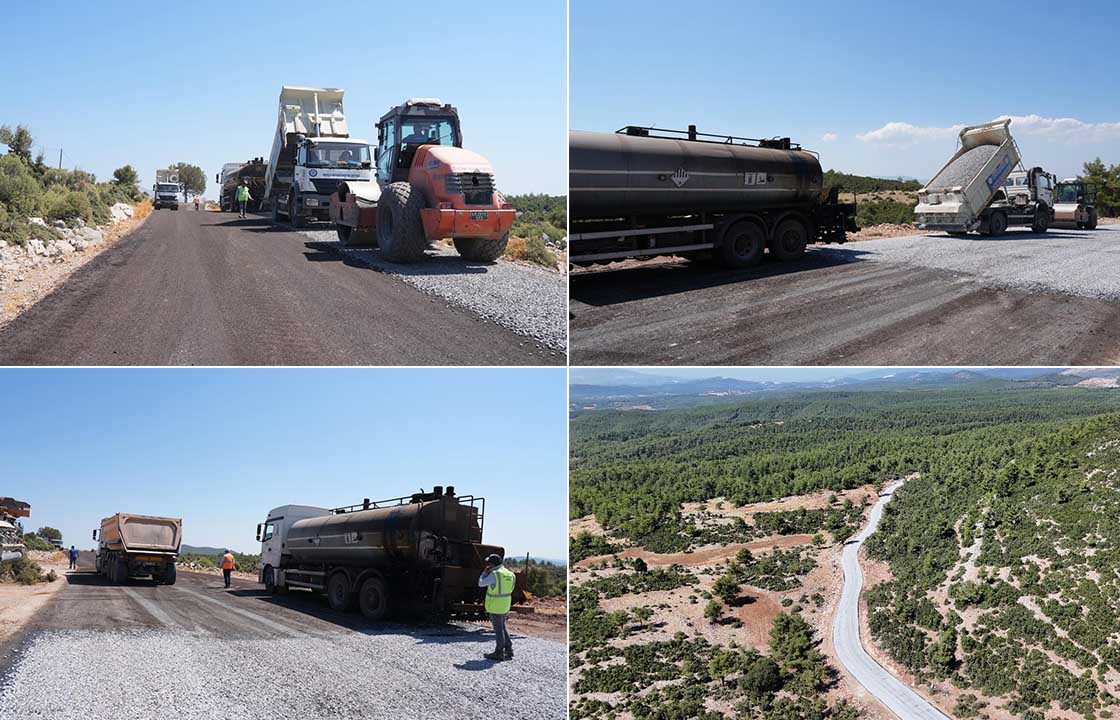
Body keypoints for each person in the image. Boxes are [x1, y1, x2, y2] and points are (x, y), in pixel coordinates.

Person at [478, 553, 515, 661]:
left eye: (488, 563)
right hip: (505, 604)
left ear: (491, 564)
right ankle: (509, 650)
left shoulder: (495, 574)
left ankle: (499, 652)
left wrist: (484, 572)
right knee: (502, 627)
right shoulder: (510, 574)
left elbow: (481, 583)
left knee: (498, 630)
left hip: (495, 605)